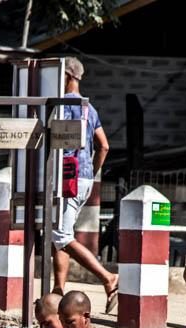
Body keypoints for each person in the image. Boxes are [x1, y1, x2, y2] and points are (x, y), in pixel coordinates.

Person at [54, 57, 119, 313]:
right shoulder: (89, 109)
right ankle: (58, 290)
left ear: (67, 76)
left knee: (61, 235)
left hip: (65, 178)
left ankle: (107, 277)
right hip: (83, 178)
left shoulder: (60, 107)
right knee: (58, 233)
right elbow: (104, 145)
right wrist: (91, 172)